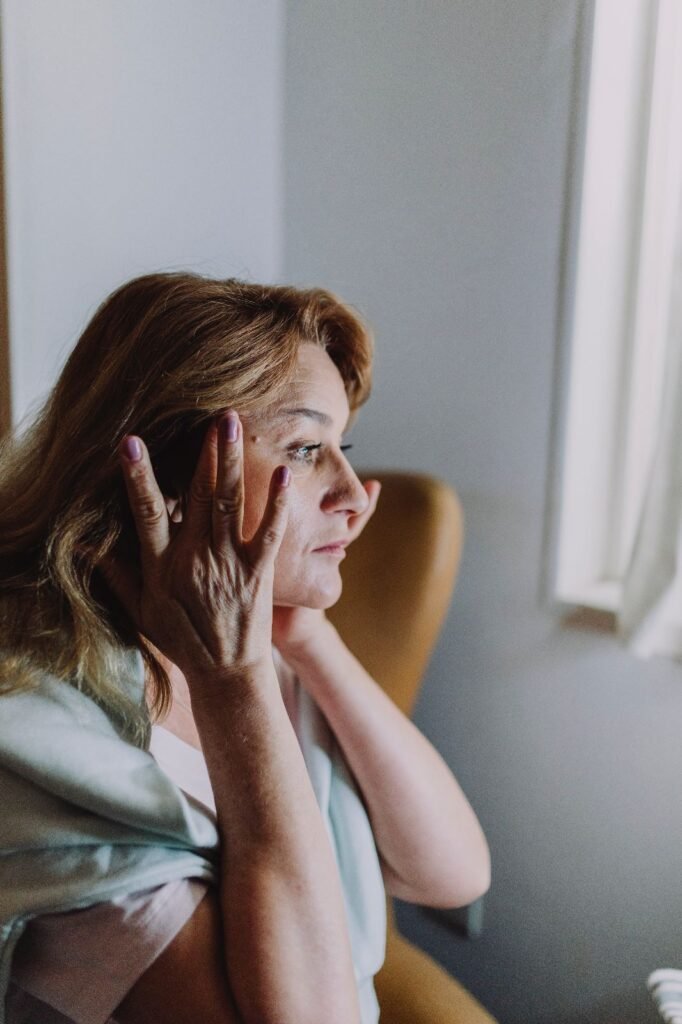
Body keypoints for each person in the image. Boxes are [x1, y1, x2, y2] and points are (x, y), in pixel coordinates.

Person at [0, 271, 491, 1024]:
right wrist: (233, 683)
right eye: (303, 448)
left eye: (343, 444)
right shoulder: (40, 740)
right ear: (165, 476)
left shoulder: (276, 647)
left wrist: (308, 638)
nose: (355, 493)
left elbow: (452, 875)